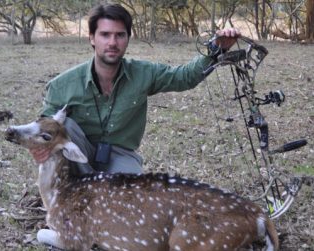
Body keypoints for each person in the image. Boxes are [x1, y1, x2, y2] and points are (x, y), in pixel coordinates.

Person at [30, 3, 240, 176]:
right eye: (105, 34)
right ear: (92, 38)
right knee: (61, 124)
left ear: (128, 38)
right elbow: (42, 131)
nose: (112, 42)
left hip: (120, 155)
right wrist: (40, 148)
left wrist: (217, 50)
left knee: (132, 198)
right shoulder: (62, 85)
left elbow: (184, 77)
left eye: (120, 35)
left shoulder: (144, 73)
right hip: (78, 153)